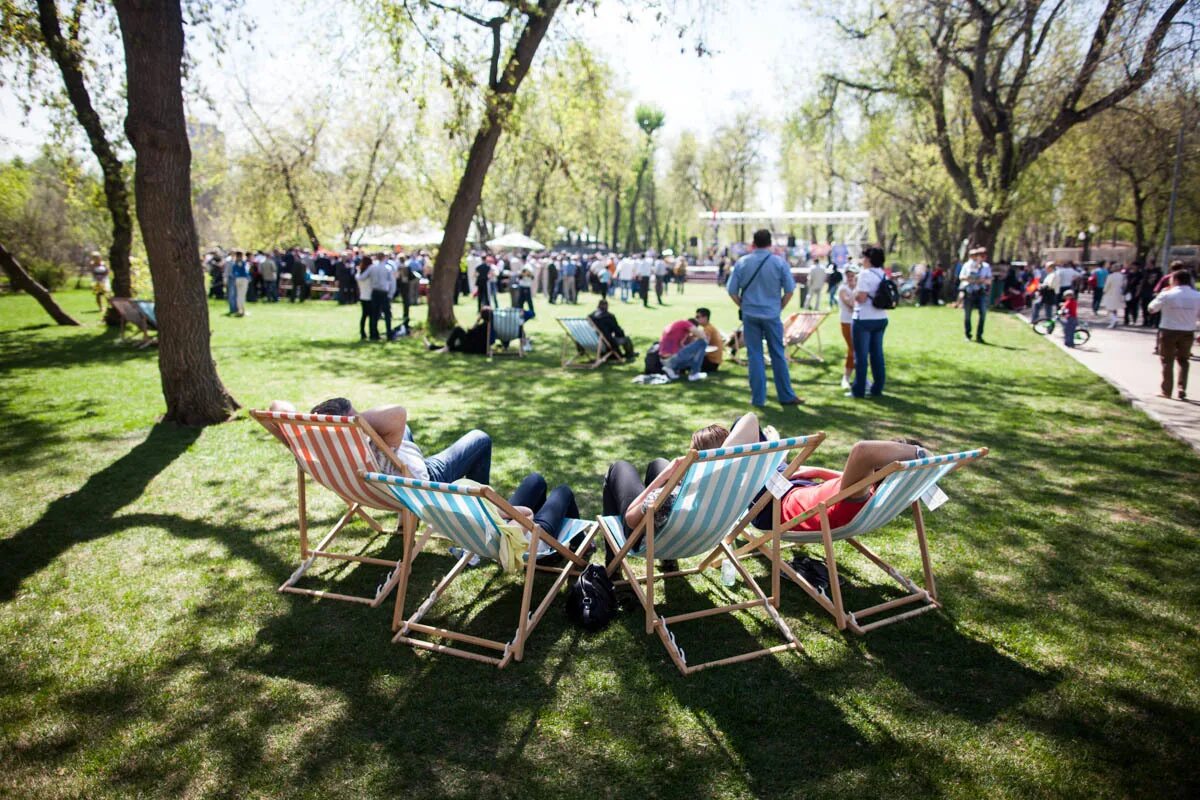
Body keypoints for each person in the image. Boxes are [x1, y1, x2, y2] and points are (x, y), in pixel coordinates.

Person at [600, 418, 736, 569]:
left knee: (619, 467)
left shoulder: (665, 497)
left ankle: (613, 563)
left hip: (647, 540)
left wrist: (663, 477)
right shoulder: (732, 489)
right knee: (658, 463)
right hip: (695, 540)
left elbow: (631, 519)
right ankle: (669, 561)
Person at [265, 397, 492, 485]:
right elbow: (398, 412)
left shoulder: (316, 448)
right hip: (419, 483)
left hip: (374, 485)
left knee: (406, 431)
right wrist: (357, 422)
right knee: (480, 438)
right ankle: (483, 519)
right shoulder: (368, 445)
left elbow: (277, 405)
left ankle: (405, 522)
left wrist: (314, 424)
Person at [727, 229, 804, 407]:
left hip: (750, 314)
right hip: (771, 314)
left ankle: (758, 398)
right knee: (777, 353)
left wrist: (743, 305)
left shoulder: (743, 262)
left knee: (754, 355)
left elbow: (732, 291)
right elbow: (790, 290)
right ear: (770, 243)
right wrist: (780, 306)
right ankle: (785, 395)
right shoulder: (779, 263)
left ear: (753, 243)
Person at [1147, 269, 1200, 400]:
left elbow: (1151, 309)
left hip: (1168, 330)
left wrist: (1161, 295)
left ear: (1175, 280)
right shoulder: (1197, 296)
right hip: (1188, 331)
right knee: (1184, 360)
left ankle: (1166, 390)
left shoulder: (1167, 294)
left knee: (1167, 360)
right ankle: (1182, 388)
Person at [850, 246, 890, 399]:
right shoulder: (883, 274)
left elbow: (861, 298)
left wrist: (854, 291)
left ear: (868, 259)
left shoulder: (865, 275)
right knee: (877, 355)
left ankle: (858, 390)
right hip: (881, 317)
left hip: (864, 318)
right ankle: (877, 387)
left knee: (861, 357)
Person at [658, 317, 709, 382]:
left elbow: (681, 346)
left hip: (664, 359)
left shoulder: (677, 326)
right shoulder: (685, 323)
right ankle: (694, 374)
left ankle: (671, 369)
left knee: (694, 357)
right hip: (672, 358)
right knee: (703, 342)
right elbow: (702, 336)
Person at [427, 307, 494, 355]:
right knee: (453, 347)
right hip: (479, 349)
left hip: (472, 348)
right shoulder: (490, 327)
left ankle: (444, 347)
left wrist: (476, 322)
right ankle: (432, 347)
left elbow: (470, 333)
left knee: (458, 329)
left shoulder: (482, 327)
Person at [960, 246, 992, 342]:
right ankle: (968, 334)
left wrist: (983, 280)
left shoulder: (986, 267)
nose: (981, 257)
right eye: (979, 255)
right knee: (967, 314)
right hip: (970, 291)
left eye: (983, 256)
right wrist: (972, 279)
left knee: (983, 314)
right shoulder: (967, 265)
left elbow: (989, 280)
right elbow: (961, 277)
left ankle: (979, 335)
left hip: (981, 292)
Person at [835, 267, 858, 389]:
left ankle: (860, 377)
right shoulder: (843, 289)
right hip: (846, 322)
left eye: (853, 275)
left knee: (859, 350)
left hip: (858, 322)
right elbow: (850, 304)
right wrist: (855, 293)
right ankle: (846, 377)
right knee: (852, 349)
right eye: (849, 276)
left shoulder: (857, 289)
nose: (851, 278)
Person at [365, 253, 394, 341]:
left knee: (375, 314)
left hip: (375, 292)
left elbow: (362, 277)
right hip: (384, 293)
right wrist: (391, 294)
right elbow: (392, 282)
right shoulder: (387, 268)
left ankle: (374, 334)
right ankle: (389, 334)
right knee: (387, 314)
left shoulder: (372, 267)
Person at [695, 307, 723, 373]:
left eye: (698, 317)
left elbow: (701, 345)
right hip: (714, 362)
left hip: (711, 363)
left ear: (705, 317)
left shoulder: (708, 329)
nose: (696, 319)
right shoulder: (709, 327)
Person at [355, 257, 374, 341]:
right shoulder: (368, 274)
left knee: (364, 316)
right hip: (369, 297)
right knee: (370, 316)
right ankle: (370, 333)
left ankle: (363, 332)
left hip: (363, 296)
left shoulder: (359, 273)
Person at [231, 251, 251, 316]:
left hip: (237, 279)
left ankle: (240, 310)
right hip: (243, 279)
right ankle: (242, 311)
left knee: (239, 295)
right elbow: (246, 272)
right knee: (242, 295)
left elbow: (233, 273)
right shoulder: (244, 263)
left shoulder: (235, 263)